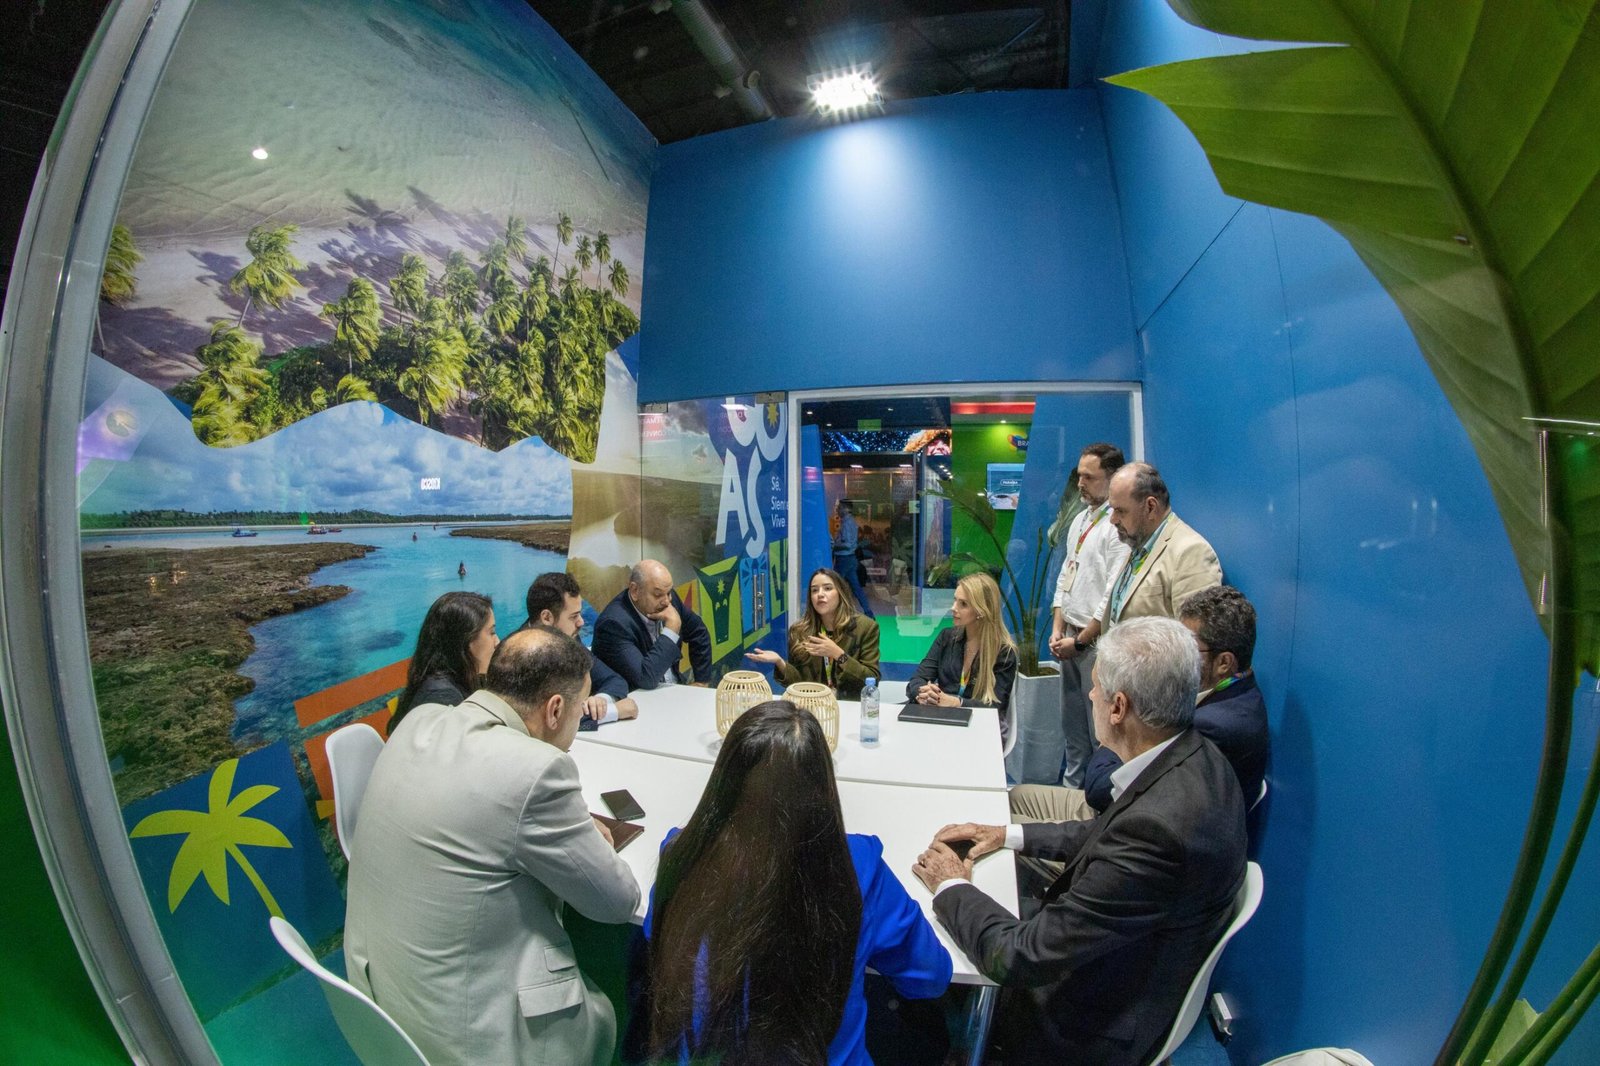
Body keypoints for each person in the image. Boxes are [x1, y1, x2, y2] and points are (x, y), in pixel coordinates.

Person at [913, 617, 1247, 1066]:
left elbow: (1019, 956)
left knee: (926, 943)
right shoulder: (1195, 757)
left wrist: (951, 884)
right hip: (1122, 957)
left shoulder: (1160, 832)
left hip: (1081, 1021)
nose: (1090, 695)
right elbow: (1105, 831)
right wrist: (1007, 834)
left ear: (1118, 707)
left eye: (1096, 687)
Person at [345, 627, 641, 1066]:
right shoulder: (537, 771)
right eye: (580, 708)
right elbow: (618, 902)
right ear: (555, 709)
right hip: (470, 1041)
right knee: (629, 979)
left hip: (378, 1008)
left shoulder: (418, 721)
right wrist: (584, 835)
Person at [639, 701, 951, 1064]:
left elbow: (655, 937)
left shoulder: (681, 851)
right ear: (823, 784)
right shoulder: (858, 866)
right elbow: (931, 976)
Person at [1046, 443, 1131, 787]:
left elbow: (1110, 594)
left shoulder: (1117, 527)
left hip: (1093, 646)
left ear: (1111, 478)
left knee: (1101, 733)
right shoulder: (1080, 520)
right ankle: (1070, 797)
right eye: (1079, 476)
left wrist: (1080, 642)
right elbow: (1065, 576)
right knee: (1073, 730)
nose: (1080, 483)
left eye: (1088, 477)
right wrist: (1058, 627)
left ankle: (1098, 803)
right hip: (1069, 637)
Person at [1100, 462, 1221, 631]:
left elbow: (1195, 638)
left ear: (1151, 507)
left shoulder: (1191, 552)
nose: (1113, 519)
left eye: (1120, 511)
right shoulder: (1140, 541)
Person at [744, 567, 881, 699]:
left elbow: (872, 680)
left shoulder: (865, 627)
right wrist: (779, 662)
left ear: (841, 593)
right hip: (812, 706)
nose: (820, 594)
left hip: (850, 706)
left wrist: (839, 655)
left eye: (827, 588)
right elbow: (797, 683)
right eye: (814, 590)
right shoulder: (799, 631)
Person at [526, 570, 638, 725]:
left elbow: (614, 681)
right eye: (574, 616)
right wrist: (613, 712)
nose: (581, 622)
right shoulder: (520, 655)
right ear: (546, 617)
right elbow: (546, 721)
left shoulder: (570, 638)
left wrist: (600, 701)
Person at [906, 572, 1019, 722]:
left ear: (981, 610)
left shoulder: (1004, 653)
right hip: (940, 718)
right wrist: (923, 694)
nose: (953, 608)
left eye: (963, 604)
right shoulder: (946, 637)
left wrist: (956, 703)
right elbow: (918, 679)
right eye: (955, 600)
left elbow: (996, 706)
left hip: (978, 724)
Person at [388, 591, 498, 737]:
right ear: (466, 641)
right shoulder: (443, 699)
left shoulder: (452, 678)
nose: (497, 642)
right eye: (492, 632)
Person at [593, 560, 712, 690]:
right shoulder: (613, 625)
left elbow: (699, 632)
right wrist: (671, 629)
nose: (666, 601)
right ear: (635, 591)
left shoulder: (668, 600)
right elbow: (646, 679)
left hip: (673, 688)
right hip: (638, 697)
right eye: (658, 595)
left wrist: (702, 681)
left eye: (669, 593)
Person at [831, 499, 874, 618]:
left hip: (844, 559)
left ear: (846, 509)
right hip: (849, 558)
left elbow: (847, 544)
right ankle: (868, 612)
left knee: (835, 585)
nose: (837, 510)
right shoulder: (850, 522)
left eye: (839, 507)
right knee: (856, 588)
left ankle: (837, 613)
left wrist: (834, 545)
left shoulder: (847, 524)